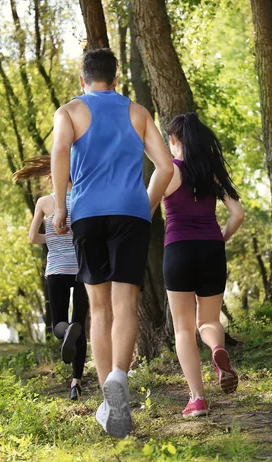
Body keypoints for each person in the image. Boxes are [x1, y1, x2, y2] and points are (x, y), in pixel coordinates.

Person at [50, 48, 173, 438]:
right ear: (116, 80)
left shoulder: (69, 112)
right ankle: (119, 376)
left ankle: (108, 397)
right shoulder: (137, 113)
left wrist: (59, 208)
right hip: (130, 214)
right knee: (127, 304)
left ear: (82, 80)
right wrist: (146, 204)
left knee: (98, 309)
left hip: (87, 213)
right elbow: (167, 167)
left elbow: (59, 152)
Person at [154, 112, 245, 418]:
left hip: (179, 249)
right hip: (211, 250)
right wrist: (222, 237)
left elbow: (146, 206)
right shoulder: (212, 174)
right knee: (208, 321)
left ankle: (198, 399)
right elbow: (238, 214)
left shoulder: (169, 171)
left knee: (182, 328)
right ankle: (218, 350)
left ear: (174, 140)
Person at [14, 159, 89, 401]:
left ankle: (66, 331)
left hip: (56, 268)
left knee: (59, 324)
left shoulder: (45, 202)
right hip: (81, 268)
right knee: (81, 326)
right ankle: (75, 383)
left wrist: (54, 237)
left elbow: (32, 237)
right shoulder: (83, 197)